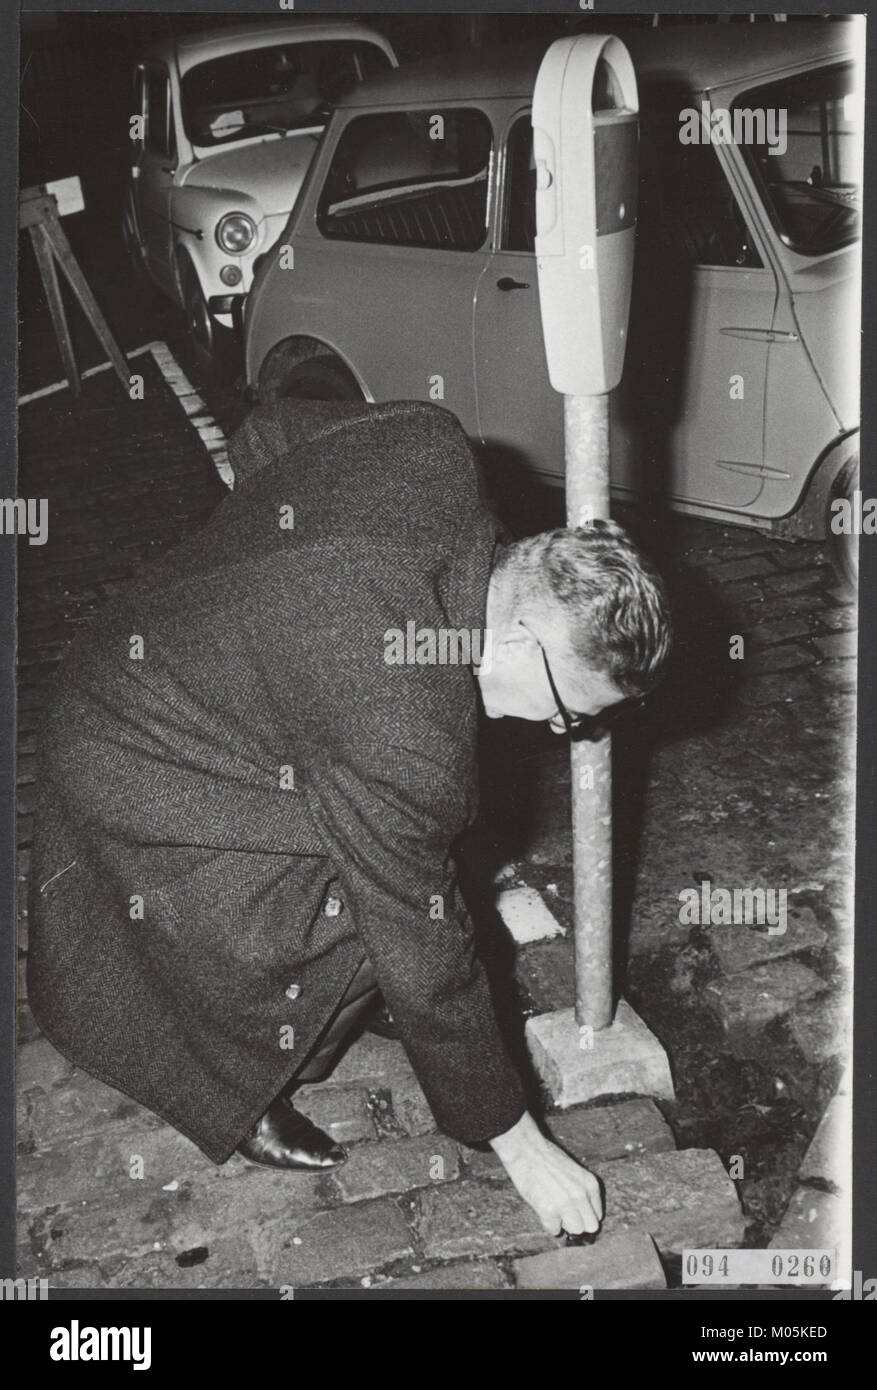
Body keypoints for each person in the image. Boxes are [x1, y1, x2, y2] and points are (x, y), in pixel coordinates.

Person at [28, 398, 671, 1240]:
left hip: (149, 643)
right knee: (353, 911)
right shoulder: (404, 730)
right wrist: (518, 1140)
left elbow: (267, 429)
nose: (559, 731)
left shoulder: (431, 447)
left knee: (410, 850)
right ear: (516, 644)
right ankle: (242, 1087)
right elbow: (425, 947)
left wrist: (269, 583)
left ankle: (332, 1008)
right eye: (567, 712)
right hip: (136, 748)